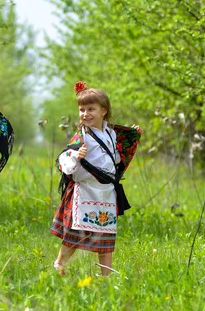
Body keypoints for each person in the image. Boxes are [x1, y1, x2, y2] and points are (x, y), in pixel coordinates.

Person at [50, 81, 142, 276]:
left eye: (91, 109)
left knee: (106, 236)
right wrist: (76, 156)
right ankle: (59, 263)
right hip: (85, 191)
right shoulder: (82, 136)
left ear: (104, 111)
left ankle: (106, 275)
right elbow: (63, 160)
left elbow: (115, 157)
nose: (85, 114)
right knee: (75, 235)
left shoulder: (111, 133)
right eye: (82, 110)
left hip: (106, 193)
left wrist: (134, 136)